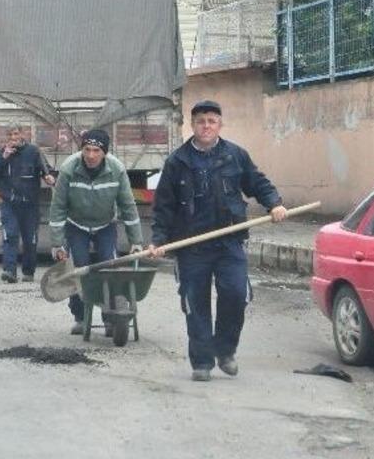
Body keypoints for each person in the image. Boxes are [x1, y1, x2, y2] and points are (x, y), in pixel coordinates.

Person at [148, 100, 287, 382]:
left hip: (229, 242)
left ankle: (225, 350)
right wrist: (158, 239)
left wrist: (274, 203)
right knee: (195, 303)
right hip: (191, 246)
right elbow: (164, 206)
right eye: (201, 121)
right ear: (192, 124)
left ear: (220, 125)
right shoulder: (177, 162)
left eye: (212, 121)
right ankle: (202, 362)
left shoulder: (235, 155)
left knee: (236, 294)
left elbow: (257, 183)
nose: (206, 126)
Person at [49, 129, 144, 335]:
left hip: (105, 225)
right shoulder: (69, 169)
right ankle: (80, 317)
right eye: (87, 150)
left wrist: (136, 241)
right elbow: (58, 207)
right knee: (78, 269)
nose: (91, 155)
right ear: (81, 149)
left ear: (105, 153)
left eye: (96, 151)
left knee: (109, 267)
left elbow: (128, 206)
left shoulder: (116, 169)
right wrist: (57, 243)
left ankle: (111, 318)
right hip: (77, 225)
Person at [0, 123, 55, 283]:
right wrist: (4, 157)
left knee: (30, 239)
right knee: (10, 235)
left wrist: (49, 177)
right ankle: (9, 271)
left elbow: (46, 169)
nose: (13, 138)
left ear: (22, 135)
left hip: (30, 204)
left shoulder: (33, 151)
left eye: (16, 134)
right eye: (10, 135)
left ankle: (28, 272)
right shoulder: (1, 152)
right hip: (10, 203)